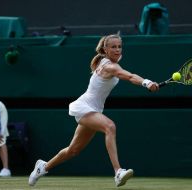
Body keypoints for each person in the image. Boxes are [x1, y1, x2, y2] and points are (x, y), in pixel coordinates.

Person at [28, 34, 159, 187]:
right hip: (84, 106)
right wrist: (146, 82)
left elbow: (123, 70)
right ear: (105, 49)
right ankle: (118, 172)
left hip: (94, 110)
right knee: (110, 126)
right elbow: (129, 76)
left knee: (73, 150)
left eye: (119, 46)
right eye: (113, 47)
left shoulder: (108, 62)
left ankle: (42, 167)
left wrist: (147, 83)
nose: (117, 50)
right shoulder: (110, 66)